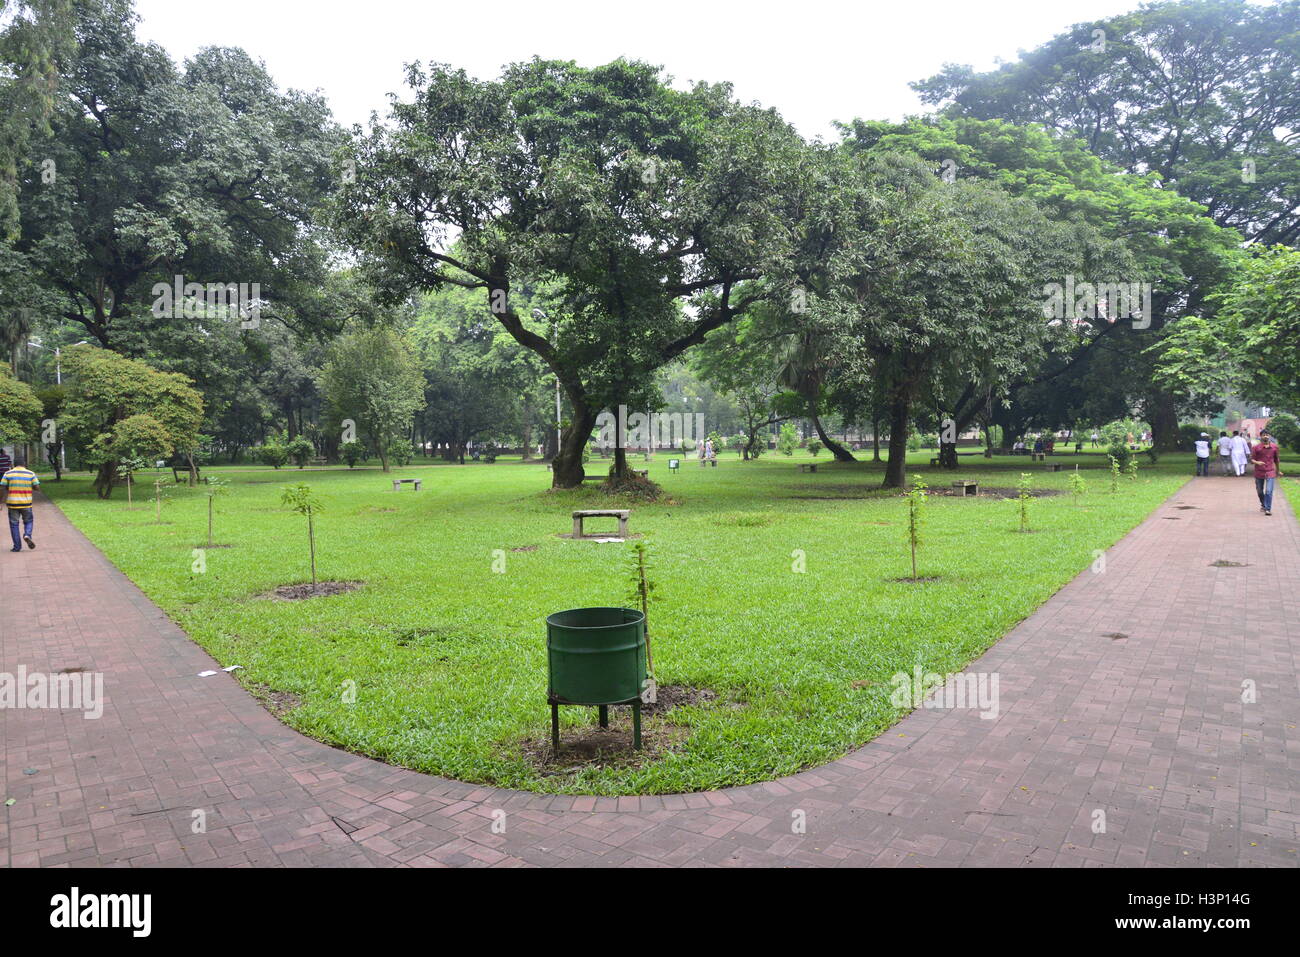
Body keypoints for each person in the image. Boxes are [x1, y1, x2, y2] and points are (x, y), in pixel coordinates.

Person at [1, 453, 39, 552]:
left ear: (14, 464)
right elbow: (37, 487)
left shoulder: (8, 474)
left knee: (14, 524)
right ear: (24, 463)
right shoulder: (30, 473)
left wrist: (0, 502)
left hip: (12, 504)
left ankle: (17, 547)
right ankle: (27, 535)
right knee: (28, 521)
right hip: (26, 504)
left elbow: (2, 488)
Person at [1249, 433, 1283, 516]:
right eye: (1264, 435)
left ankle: (1268, 509)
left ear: (1269, 436)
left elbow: (1276, 460)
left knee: (1268, 491)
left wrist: (1278, 471)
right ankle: (1263, 504)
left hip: (1270, 471)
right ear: (1260, 437)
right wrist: (1257, 462)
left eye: (1267, 435)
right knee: (1260, 491)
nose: (1265, 436)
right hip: (1259, 472)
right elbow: (1251, 460)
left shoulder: (1275, 447)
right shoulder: (1256, 447)